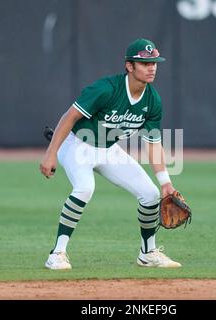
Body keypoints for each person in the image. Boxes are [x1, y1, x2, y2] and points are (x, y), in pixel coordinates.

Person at [39, 38, 181, 270]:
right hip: (77, 145)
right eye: (145, 63)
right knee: (85, 188)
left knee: (151, 194)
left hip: (108, 149)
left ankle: (148, 253)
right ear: (129, 66)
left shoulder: (152, 99)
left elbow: (153, 143)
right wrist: (50, 153)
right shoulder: (106, 89)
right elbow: (70, 116)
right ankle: (57, 253)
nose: (152, 67)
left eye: (154, 62)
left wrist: (166, 182)